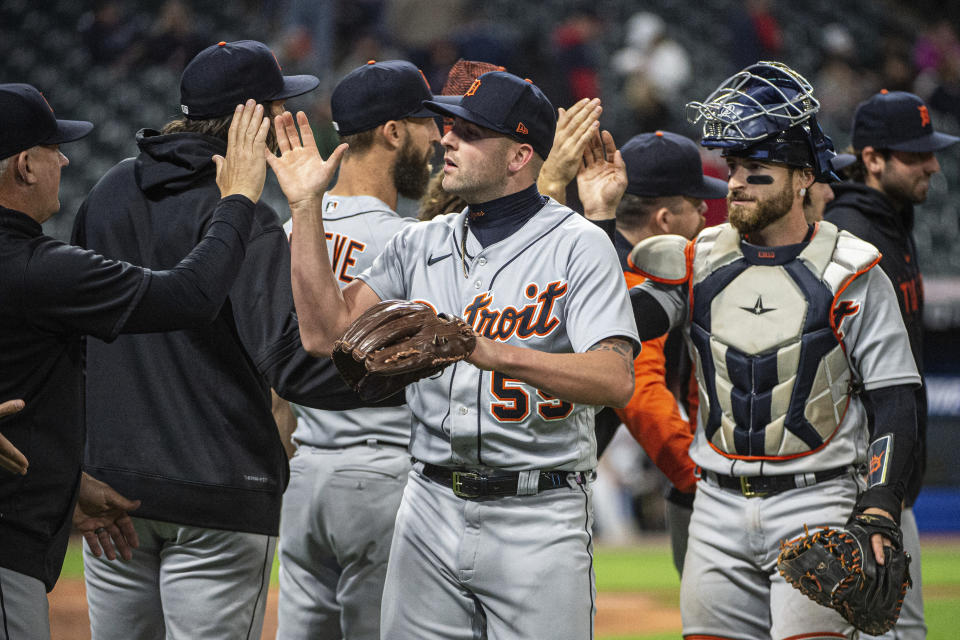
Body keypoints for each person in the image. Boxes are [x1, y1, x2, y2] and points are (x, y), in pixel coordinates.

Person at [274, 70, 639, 639]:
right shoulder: (418, 242)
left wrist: (491, 351)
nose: (446, 138)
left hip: (538, 511)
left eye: (469, 131)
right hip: (427, 503)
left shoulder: (578, 244)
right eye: (447, 125)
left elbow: (614, 378)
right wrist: (303, 206)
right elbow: (325, 335)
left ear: (520, 155)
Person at [70, 41, 355, 640]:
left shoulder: (108, 192)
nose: (287, 118)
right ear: (252, 117)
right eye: (279, 105)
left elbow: (73, 340)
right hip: (220, 493)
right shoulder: (242, 211)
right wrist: (386, 369)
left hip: (112, 488)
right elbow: (294, 368)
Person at [630, 61, 921, 638]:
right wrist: (597, 222)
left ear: (801, 179)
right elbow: (623, 327)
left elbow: (897, 398)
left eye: (755, 169)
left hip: (817, 504)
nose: (734, 181)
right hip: (713, 506)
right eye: (733, 166)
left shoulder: (853, 270)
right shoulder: (697, 257)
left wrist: (882, 504)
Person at [0, 82, 269, 640]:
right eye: (54, 149)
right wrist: (239, 198)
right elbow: (189, 296)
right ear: (25, 165)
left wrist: (69, 479)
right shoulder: (33, 267)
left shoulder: (98, 200)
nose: (66, 159)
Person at [275, 59, 440, 640]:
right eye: (427, 124)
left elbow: (274, 374)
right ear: (393, 132)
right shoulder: (406, 241)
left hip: (304, 473)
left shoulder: (293, 232)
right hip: (383, 469)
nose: (438, 137)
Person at [824, 89, 959, 640]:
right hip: (859, 481)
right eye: (914, 154)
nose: (931, 163)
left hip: (882, 482)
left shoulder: (892, 223)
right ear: (872, 159)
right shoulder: (854, 234)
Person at [588, 130, 727, 572]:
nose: (707, 212)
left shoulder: (590, 254)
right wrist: (697, 479)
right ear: (665, 219)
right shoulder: (631, 280)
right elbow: (641, 394)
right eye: (696, 203)